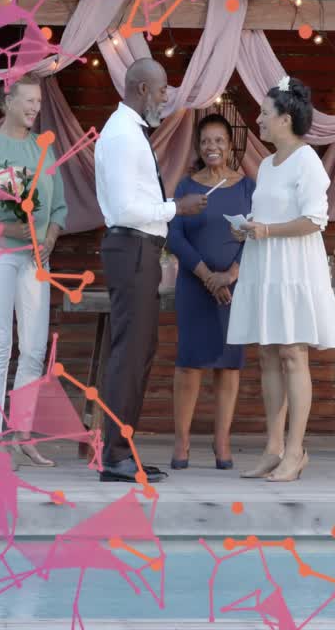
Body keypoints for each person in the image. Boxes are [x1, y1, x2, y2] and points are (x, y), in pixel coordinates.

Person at [94, 57, 208, 484]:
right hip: (130, 248)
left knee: (139, 352)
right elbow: (125, 207)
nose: (165, 97)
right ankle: (116, 456)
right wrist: (175, 208)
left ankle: (122, 450)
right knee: (129, 353)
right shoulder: (123, 135)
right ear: (142, 89)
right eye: (162, 90)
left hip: (139, 250)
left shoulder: (128, 132)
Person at [227, 76, 335, 483]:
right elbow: (272, 215)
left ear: (285, 119)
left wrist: (268, 232)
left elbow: (314, 219)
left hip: (293, 266)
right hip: (266, 265)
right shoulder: (269, 165)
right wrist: (250, 228)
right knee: (268, 354)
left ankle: (296, 451)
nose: (257, 119)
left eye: (264, 113)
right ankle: (273, 448)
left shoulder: (307, 160)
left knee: (293, 352)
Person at [0, 74, 66, 469]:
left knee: (34, 347)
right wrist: (4, 228)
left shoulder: (44, 150)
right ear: (8, 101)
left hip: (36, 257)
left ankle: (21, 434)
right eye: (29, 100)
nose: (35, 107)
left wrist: (50, 235)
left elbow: (58, 207)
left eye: (39, 101)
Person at [166, 114, 254, 470]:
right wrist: (207, 276)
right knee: (190, 364)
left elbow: (256, 236)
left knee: (229, 366)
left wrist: (231, 275)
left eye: (219, 141)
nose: (212, 147)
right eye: (205, 142)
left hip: (235, 288)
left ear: (230, 145)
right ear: (198, 148)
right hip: (194, 284)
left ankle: (222, 441)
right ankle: (182, 442)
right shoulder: (187, 188)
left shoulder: (247, 187)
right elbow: (174, 236)